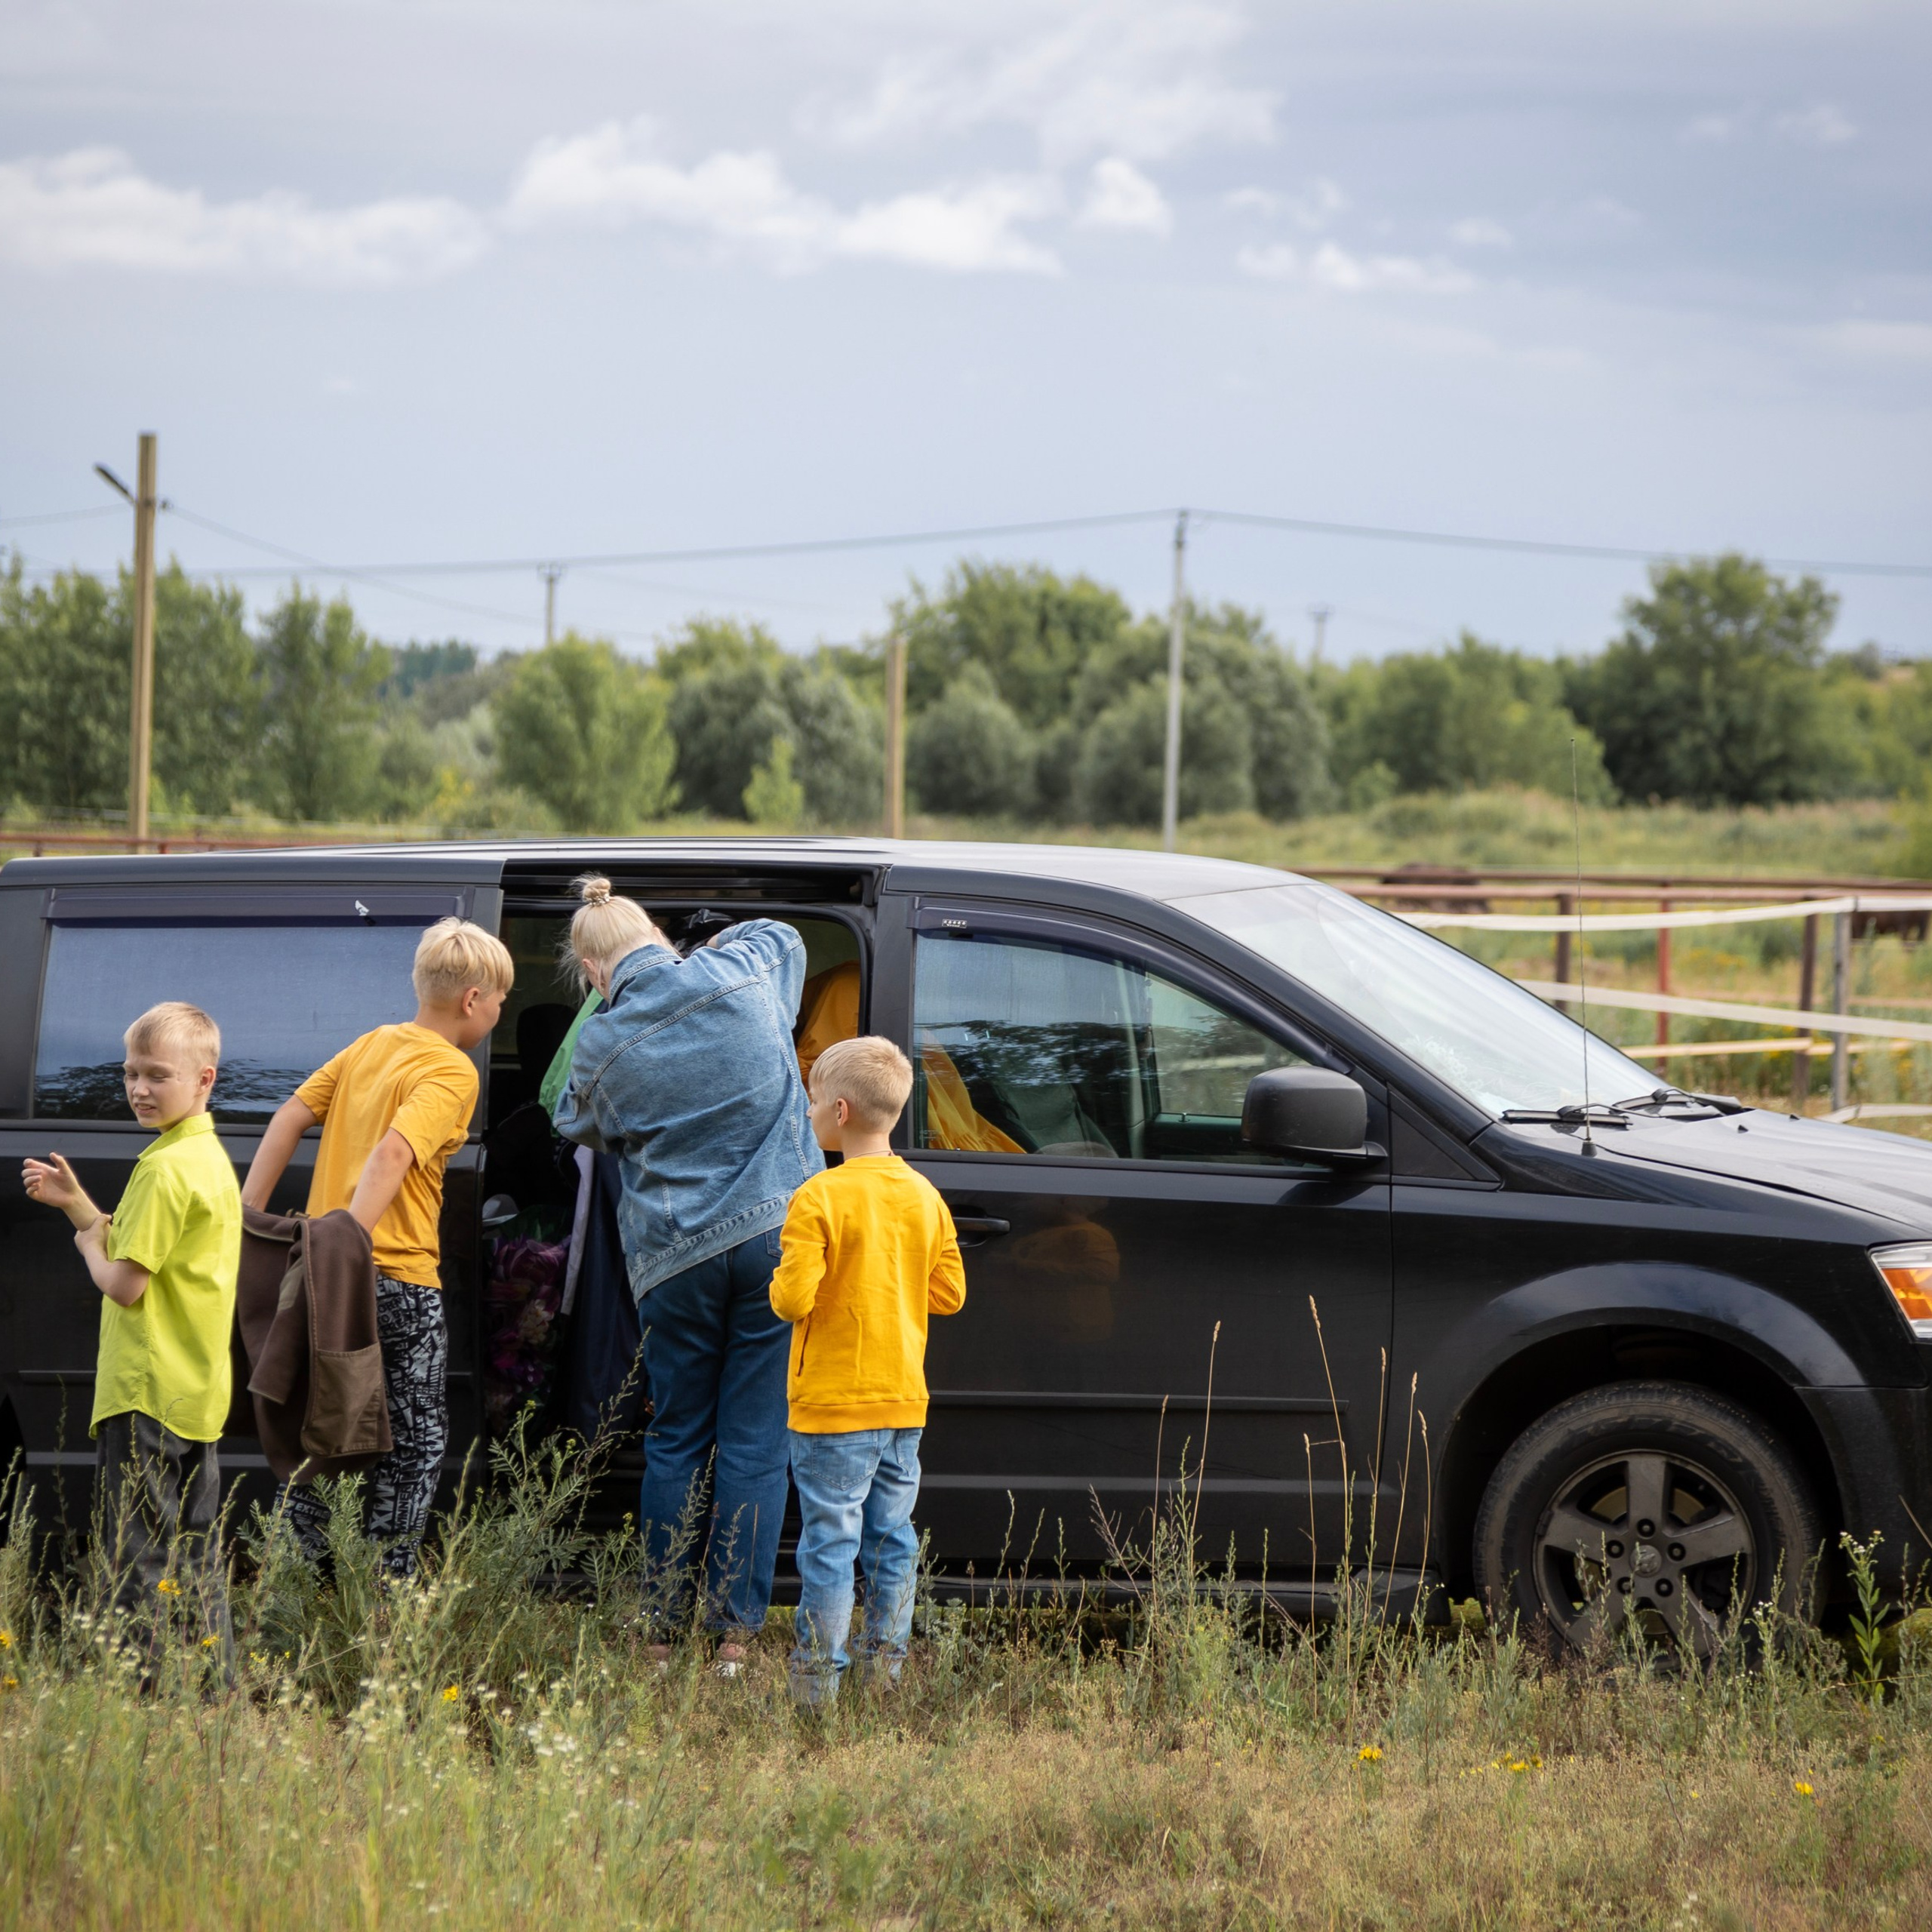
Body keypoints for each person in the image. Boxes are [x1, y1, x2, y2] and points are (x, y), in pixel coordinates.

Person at [553, 876, 820, 1672]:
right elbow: (786, 935)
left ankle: (660, 1630)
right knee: (755, 1441)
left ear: (594, 973)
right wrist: (707, 951)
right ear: (660, 939)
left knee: (677, 1437)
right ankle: (735, 1635)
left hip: (675, 1258)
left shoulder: (604, 1041)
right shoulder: (741, 971)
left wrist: (607, 1017)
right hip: (777, 1240)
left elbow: (574, 1120)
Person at [242, 917, 512, 1579]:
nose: (499, 1013)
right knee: (415, 1440)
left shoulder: (369, 1045)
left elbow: (288, 1117)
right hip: (395, 1280)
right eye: (501, 1000)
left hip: (320, 1274)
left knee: (320, 1427)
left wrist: (245, 1218)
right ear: (472, 998)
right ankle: (387, 1586)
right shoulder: (452, 1069)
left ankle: (302, 1583)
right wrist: (351, 1243)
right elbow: (395, 1151)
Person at [23, 1002, 241, 1663]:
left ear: (204, 1078)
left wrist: (88, 1243)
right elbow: (149, 1250)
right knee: (196, 1549)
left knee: (139, 1553)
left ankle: (144, 1693)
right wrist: (80, 1208)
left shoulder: (162, 1169)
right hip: (195, 1391)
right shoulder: (205, 1158)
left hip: (145, 1390)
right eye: (130, 1075)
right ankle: (215, 1686)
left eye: (157, 1076)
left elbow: (123, 1282)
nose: (140, 1090)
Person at [769, 1036, 966, 1706]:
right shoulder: (925, 1196)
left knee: (829, 1542)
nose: (809, 1112)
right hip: (902, 1403)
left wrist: (796, 1274)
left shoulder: (817, 1197)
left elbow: (791, 1300)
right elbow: (949, 1295)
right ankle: (887, 1675)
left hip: (831, 1405)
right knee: (892, 1538)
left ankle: (816, 1689)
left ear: (842, 1110)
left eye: (814, 1101)